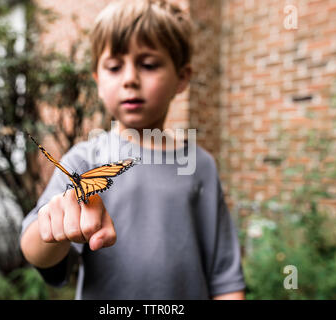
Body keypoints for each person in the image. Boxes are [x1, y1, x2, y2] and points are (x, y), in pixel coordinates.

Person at [20, 0, 246, 300]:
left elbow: (225, 278)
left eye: (149, 64)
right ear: (99, 82)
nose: (129, 79)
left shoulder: (200, 165)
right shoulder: (83, 160)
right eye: (114, 67)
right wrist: (55, 223)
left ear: (182, 78)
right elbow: (34, 249)